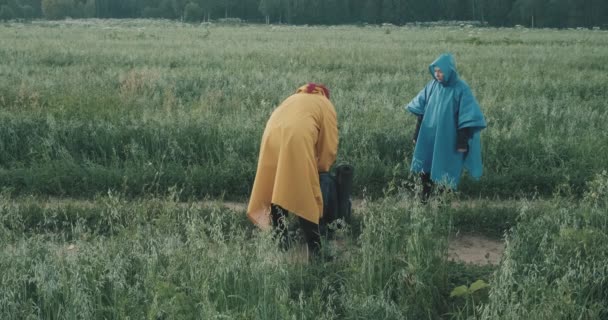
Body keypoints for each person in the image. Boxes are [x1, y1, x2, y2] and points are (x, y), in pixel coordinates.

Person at [247, 83, 338, 255]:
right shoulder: (326, 105)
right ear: (325, 95)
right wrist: (322, 169)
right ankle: (316, 249)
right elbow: (329, 145)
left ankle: (281, 238)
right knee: (304, 191)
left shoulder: (294, 98)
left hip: (271, 134)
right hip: (296, 137)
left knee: (277, 185)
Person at [405, 53, 486, 202]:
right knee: (426, 168)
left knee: (446, 169)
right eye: (435, 71)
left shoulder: (461, 89)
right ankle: (424, 200)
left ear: (450, 70)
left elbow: (467, 117)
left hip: (449, 139)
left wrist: (462, 142)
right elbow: (421, 111)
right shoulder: (432, 86)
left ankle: (442, 203)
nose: (437, 74)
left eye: (440, 71)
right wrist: (417, 135)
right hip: (429, 137)